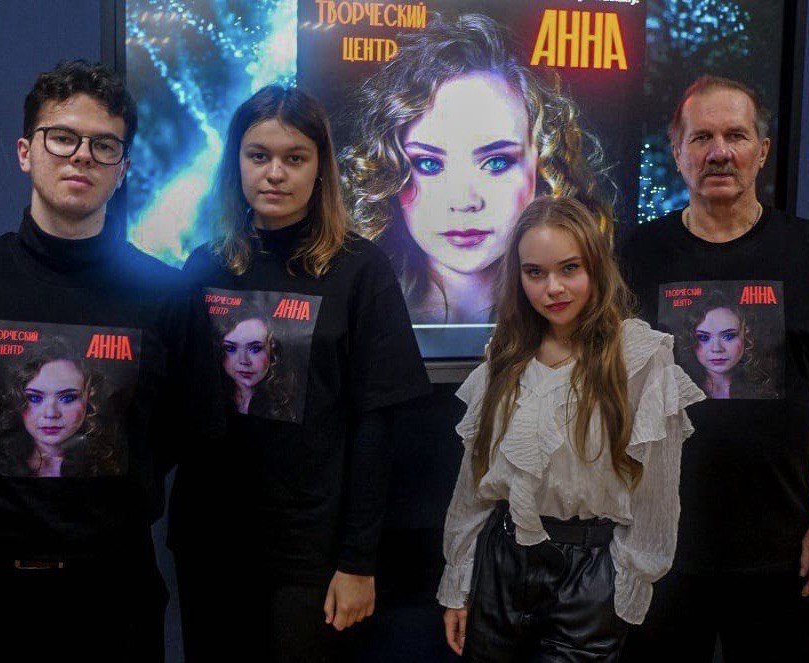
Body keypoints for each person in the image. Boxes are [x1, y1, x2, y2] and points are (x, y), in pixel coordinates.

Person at [0, 60, 221, 662]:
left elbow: (183, 432)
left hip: (109, 605)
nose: (82, 156)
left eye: (104, 145)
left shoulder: (167, 299)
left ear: (123, 169)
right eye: (62, 138)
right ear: (26, 152)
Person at [618, 75, 809, 662]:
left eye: (736, 136)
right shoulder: (633, 256)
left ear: (762, 151)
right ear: (678, 152)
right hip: (656, 553)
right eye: (701, 138)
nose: (719, 152)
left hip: (781, 555)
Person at [170, 84, 431, 662]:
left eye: (294, 157)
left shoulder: (359, 270)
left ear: (320, 168)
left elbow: (377, 426)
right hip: (212, 543)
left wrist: (358, 562)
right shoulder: (205, 266)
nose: (275, 173)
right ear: (236, 162)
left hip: (311, 554)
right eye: (258, 155)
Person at [438, 196, 704, 661]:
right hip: (499, 565)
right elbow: (474, 482)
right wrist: (457, 583)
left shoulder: (640, 357)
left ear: (596, 267)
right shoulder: (506, 353)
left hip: (588, 573)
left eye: (569, 268)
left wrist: (622, 585)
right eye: (535, 273)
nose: (553, 288)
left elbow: (656, 495)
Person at [340, 13, 612, 325]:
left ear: (541, 165)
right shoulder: (356, 312)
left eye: (496, 162)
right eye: (429, 164)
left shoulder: (594, 321)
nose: (464, 201)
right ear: (390, 171)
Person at [0, 337, 123, 478]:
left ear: (89, 398)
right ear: (17, 399)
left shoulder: (108, 465)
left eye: (67, 398)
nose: (51, 413)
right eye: (34, 398)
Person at [676, 291, 778, 400]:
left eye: (728, 336)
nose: (717, 349)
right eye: (703, 337)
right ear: (690, 340)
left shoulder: (766, 389)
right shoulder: (676, 392)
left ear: (746, 336)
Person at [219, 307, 294, 420]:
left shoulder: (285, 404)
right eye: (230, 348)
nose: (244, 361)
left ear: (272, 350)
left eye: (255, 349)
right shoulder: (209, 398)